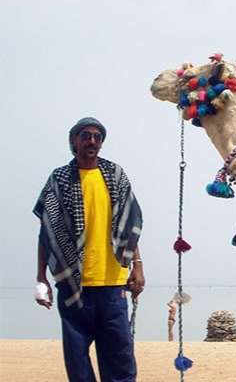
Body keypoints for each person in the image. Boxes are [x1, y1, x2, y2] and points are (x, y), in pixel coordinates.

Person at [33, 117, 144, 382]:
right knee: (78, 368)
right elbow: (46, 233)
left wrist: (137, 265)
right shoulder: (59, 180)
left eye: (97, 136)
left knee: (120, 364)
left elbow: (129, 226)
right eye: (85, 135)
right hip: (73, 287)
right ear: (74, 141)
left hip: (113, 285)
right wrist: (41, 278)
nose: (92, 141)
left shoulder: (115, 175)